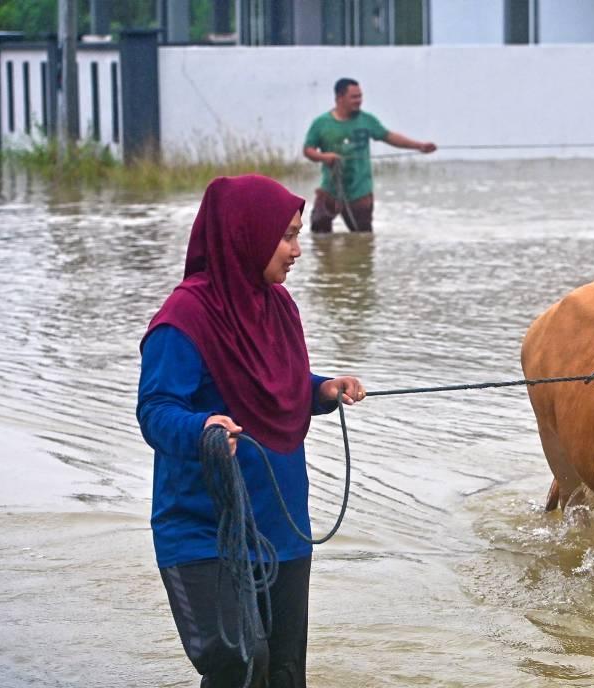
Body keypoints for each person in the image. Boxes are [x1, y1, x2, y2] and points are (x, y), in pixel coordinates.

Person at [137, 174, 366, 687]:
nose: (297, 250)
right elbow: (155, 410)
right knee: (240, 666)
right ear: (246, 233)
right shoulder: (182, 321)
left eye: (297, 234)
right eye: (286, 235)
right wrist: (202, 427)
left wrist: (322, 389)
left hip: (282, 526)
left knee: (284, 672)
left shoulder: (279, 306)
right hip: (205, 530)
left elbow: (274, 383)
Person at [303, 78, 437, 233]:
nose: (359, 101)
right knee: (319, 235)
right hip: (330, 190)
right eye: (354, 97)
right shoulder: (321, 123)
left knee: (363, 238)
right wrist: (324, 157)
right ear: (339, 97)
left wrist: (419, 146)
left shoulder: (367, 120)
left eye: (360, 96)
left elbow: (389, 136)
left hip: (360, 192)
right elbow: (308, 150)